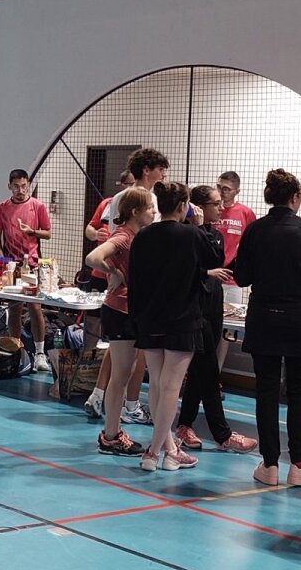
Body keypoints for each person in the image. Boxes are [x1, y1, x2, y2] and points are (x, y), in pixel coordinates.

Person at [233, 168, 301, 487]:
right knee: (298, 391)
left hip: (263, 315)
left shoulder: (254, 231)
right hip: (299, 317)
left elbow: (242, 277)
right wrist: (300, 291)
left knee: (265, 391)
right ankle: (299, 463)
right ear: (294, 197)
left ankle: (269, 464)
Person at [128, 182, 213, 473]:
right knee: (170, 387)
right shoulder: (192, 234)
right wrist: (201, 227)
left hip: (150, 317)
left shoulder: (143, 235)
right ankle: (154, 452)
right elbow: (214, 259)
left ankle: (170, 449)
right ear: (183, 206)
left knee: (158, 384)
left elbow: (135, 278)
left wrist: (137, 316)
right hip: (182, 318)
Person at [86, 148, 171, 424]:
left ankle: (104, 399)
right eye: (160, 169)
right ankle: (123, 409)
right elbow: (103, 247)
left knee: (125, 360)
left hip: (136, 295)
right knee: (126, 365)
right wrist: (115, 269)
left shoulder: (127, 204)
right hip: (123, 300)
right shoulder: (137, 203)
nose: (164, 174)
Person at [173, 186, 256, 454]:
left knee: (200, 371)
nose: (221, 209)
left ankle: (184, 425)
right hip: (192, 309)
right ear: (198, 207)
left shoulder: (215, 235)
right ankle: (223, 434)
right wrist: (205, 269)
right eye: (215, 204)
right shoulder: (183, 234)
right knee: (208, 371)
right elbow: (184, 267)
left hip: (213, 306)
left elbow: (214, 258)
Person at [87, 186, 155, 457]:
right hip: (119, 311)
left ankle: (112, 432)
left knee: (125, 373)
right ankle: (110, 435)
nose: (154, 212)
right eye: (150, 208)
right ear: (135, 212)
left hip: (132, 311)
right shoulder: (124, 236)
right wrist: (114, 271)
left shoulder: (138, 236)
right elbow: (93, 257)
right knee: (120, 375)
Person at [0, 169, 54, 374]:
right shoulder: (1, 208)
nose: (20, 190)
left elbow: (48, 233)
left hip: (32, 264)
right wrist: (3, 261)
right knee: (14, 308)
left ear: (28, 185)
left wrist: (32, 232)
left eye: (24, 186)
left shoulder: (38, 206)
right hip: (11, 265)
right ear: (9, 186)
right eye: (16, 186)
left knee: (35, 307)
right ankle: (16, 351)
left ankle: (40, 353)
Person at [212, 171, 256, 266]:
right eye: (218, 187)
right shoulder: (209, 209)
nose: (221, 192)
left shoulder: (246, 213)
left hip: (234, 267)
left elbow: (252, 242)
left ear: (237, 191)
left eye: (226, 189)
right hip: (211, 265)